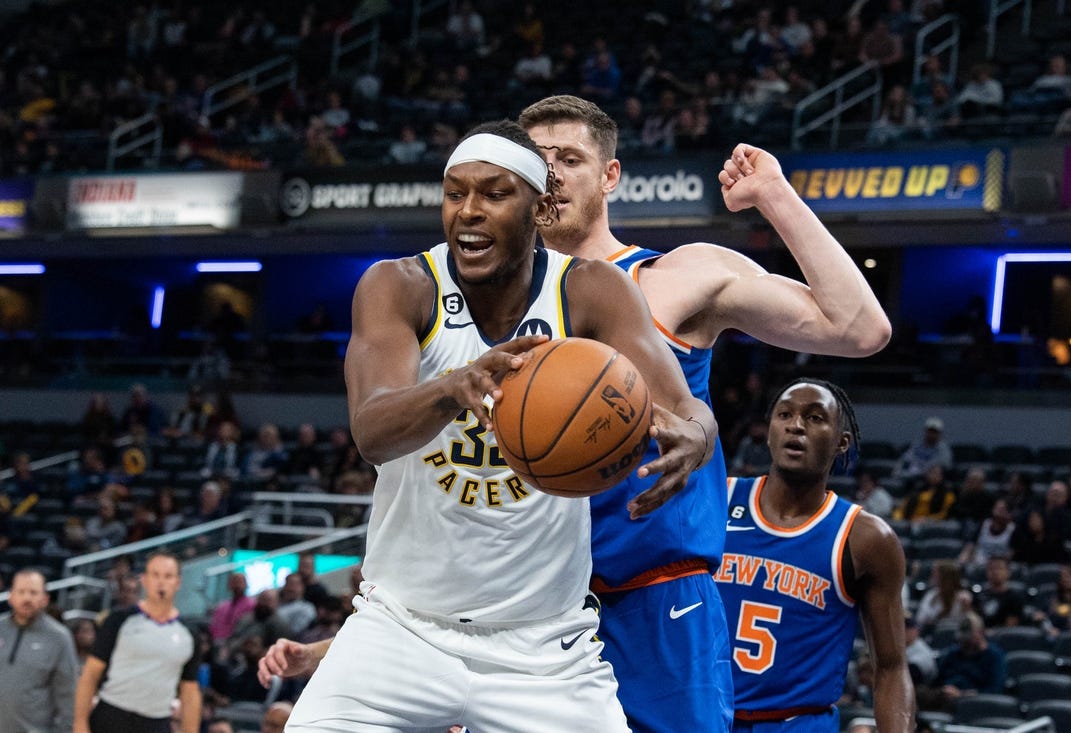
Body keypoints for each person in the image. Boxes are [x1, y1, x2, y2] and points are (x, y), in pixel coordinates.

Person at [277, 120, 715, 732]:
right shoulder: (400, 286)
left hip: (544, 648)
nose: (468, 212)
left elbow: (690, 412)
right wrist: (451, 386)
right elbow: (371, 431)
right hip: (400, 631)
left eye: (493, 194)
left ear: (540, 208)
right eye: (455, 194)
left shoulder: (589, 291)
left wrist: (694, 439)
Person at [516, 94, 891, 732]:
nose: (550, 175)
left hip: (653, 600)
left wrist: (775, 196)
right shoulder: (476, 303)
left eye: (570, 158)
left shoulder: (675, 276)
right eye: (535, 160)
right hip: (523, 602)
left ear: (610, 176)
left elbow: (859, 327)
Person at [716, 378, 913, 731]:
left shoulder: (866, 539)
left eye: (814, 417)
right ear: (769, 431)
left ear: (841, 443)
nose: (796, 425)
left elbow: (892, 667)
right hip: (701, 717)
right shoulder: (716, 500)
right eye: (785, 414)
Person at [74, 551, 202, 733]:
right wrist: (79, 724)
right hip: (110, 716)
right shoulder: (118, 620)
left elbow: (189, 692)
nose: (161, 582)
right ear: (144, 579)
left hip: (156, 722)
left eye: (168, 576)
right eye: (155, 575)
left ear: (178, 582)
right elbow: (90, 675)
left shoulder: (189, 634)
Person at [0, 568, 79, 733]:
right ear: (10, 596)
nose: (26, 598)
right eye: (21, 591)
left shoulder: (59, 637)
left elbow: (68, 695)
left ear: (45, 599)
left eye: (33, 592)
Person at [916, 611, 1007, 711]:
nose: (965, 644)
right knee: (918, 693)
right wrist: (944, 690)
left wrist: (961, 694)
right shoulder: (953, 653)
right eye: (962, 640)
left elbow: (994, 689)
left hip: (971, 701)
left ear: (980, 633)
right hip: (944, 695)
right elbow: (937, 681)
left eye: (969, 639)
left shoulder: (994, 656)